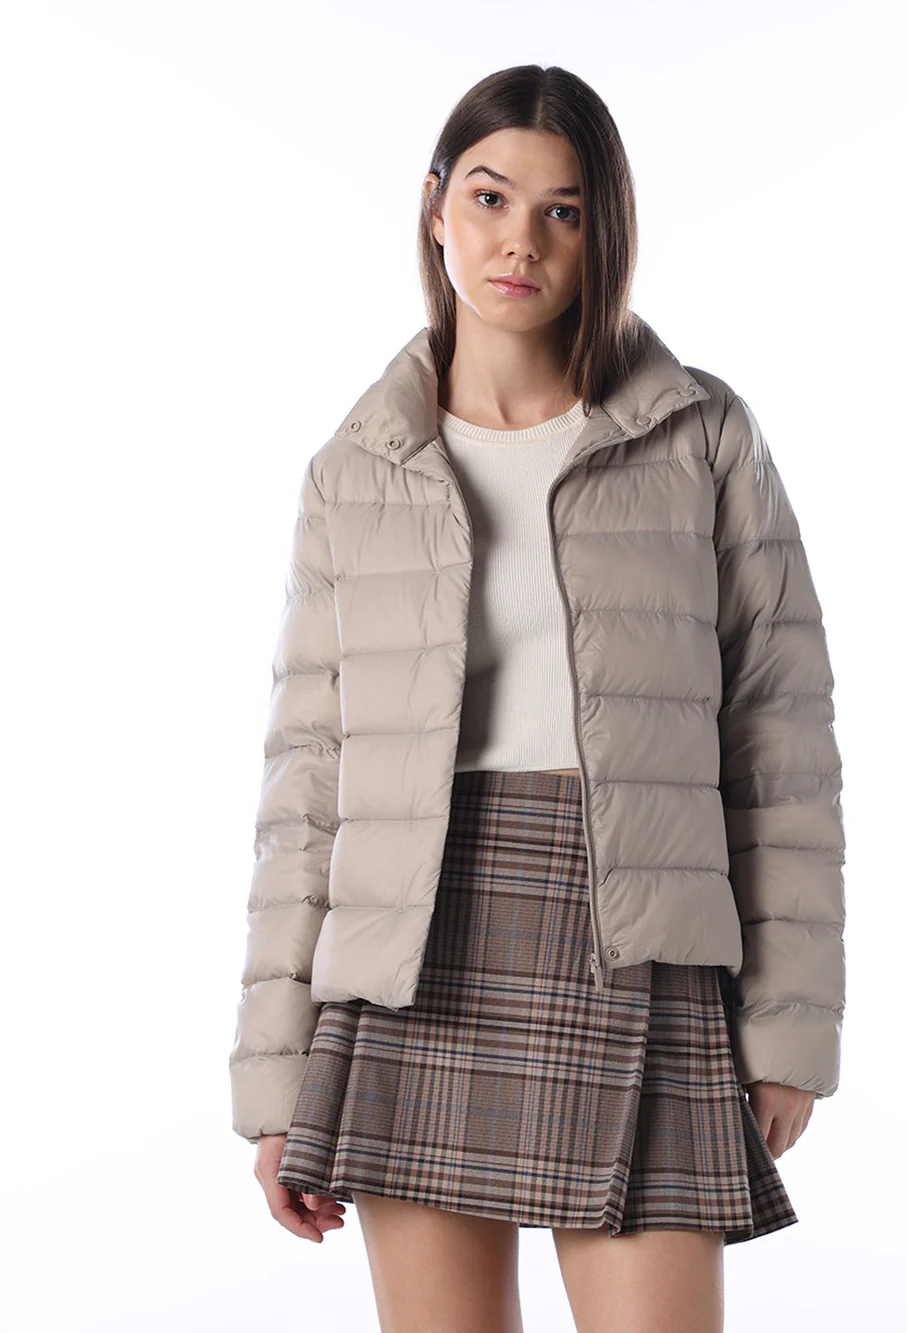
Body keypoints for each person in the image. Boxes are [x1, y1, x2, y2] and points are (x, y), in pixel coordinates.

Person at [229, 64, 845, 1333]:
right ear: (434, 207)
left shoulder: (697, 434)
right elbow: (307, 785)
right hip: (415, 951)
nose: (521, 239)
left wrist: (788, 1025)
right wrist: (276, 1075)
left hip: (636, 934)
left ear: (601, 230)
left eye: (562, 210)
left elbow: (780, 742)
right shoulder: (356, 468)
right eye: (491, 197)